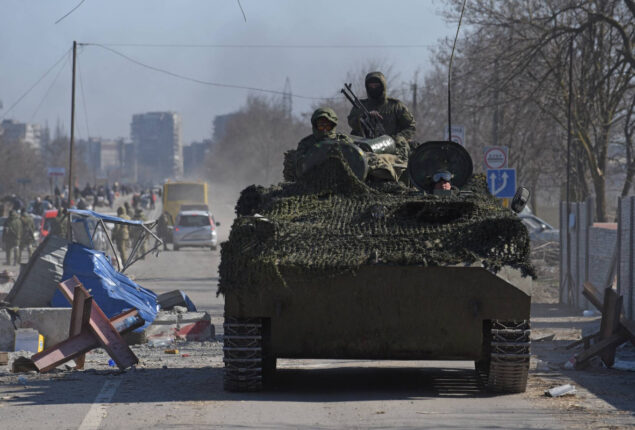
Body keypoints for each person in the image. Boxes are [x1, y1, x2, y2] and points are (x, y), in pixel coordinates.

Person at [347, 71, 416, 181]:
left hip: (391, 150)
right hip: (364, 148)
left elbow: (411, 127)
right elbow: (352, 122)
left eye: (377, 85)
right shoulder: (361, 106)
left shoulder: (395, 106)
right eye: (371, 86)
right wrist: (364, 117)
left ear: (383, 86)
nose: (373, 88)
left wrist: (396, 139)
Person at [296, 107, 355, 176]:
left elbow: (355, 162)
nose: (324, 130)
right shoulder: (306, 143)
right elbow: (300, 169)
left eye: (327, 126)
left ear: (333, 125)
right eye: (321, 126)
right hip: (313, 180)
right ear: (316, 126)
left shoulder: (343, 141)